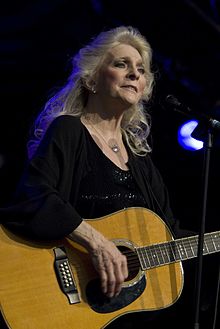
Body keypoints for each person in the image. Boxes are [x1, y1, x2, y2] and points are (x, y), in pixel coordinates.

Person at [0, 25, 200, 328]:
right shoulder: (68, 131)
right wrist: (96, 242)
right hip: (59, 296)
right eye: (122, 64)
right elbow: (34, 195)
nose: (135, 74)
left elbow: (169, 236)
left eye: (141, 70)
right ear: (92, 78)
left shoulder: (142, 164)